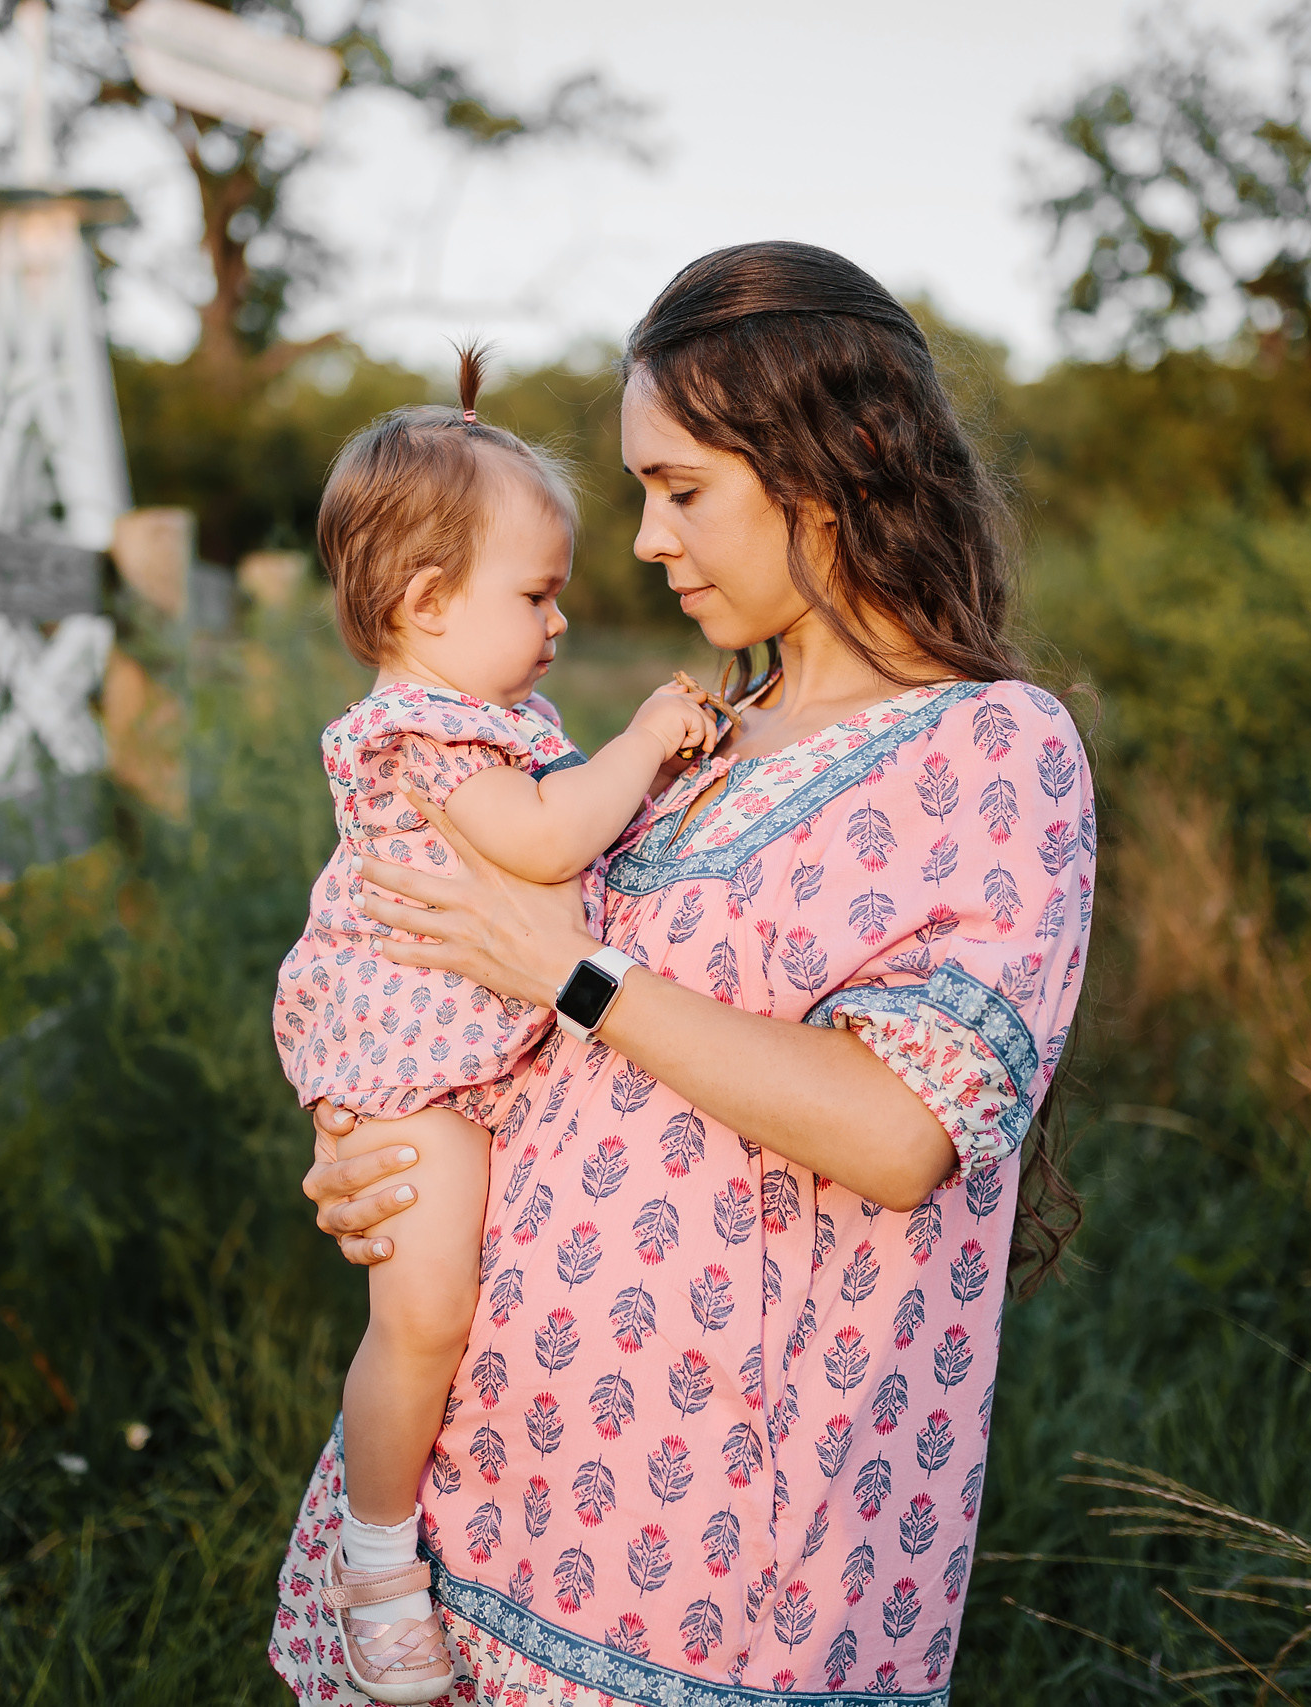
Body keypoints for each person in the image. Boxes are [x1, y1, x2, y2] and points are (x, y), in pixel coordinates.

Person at [272, 241, 1096, 1706]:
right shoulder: (709, 741)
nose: (648, 540)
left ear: (834, 463)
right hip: (493, 1479)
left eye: (683, 488)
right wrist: (376, 1157)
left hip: (725, 1550)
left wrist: (572, 971)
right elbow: (514, 1042)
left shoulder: (993, 750)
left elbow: (902, 1135)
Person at [273, 345, 721, 1702]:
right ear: (425, 602)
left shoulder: (488, 710)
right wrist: (643, 742)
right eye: (537, 594)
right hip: (403, 1059)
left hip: (447, 1049)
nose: (563, 620)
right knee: (420, 1319)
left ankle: (389, 1546)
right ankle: (376, 1559)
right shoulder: (430, 734)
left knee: (438, 1307)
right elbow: (538, 843)